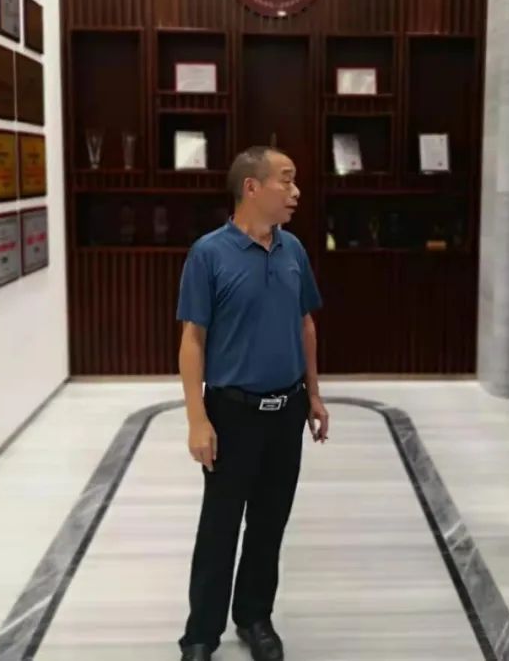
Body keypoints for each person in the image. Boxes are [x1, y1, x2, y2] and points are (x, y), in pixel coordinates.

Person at [175, 146, 330, 661]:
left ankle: (255, 617)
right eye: (286, 180)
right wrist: (197, 418)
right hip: (232, 413)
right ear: (252, 187)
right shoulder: (208, 253)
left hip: (286, 412)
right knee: (219, 527)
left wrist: (313, 394)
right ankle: (201, 633)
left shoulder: (293, 250)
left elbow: (306, 325)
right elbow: (192, 340)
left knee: (269, 524)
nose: (295, 192)